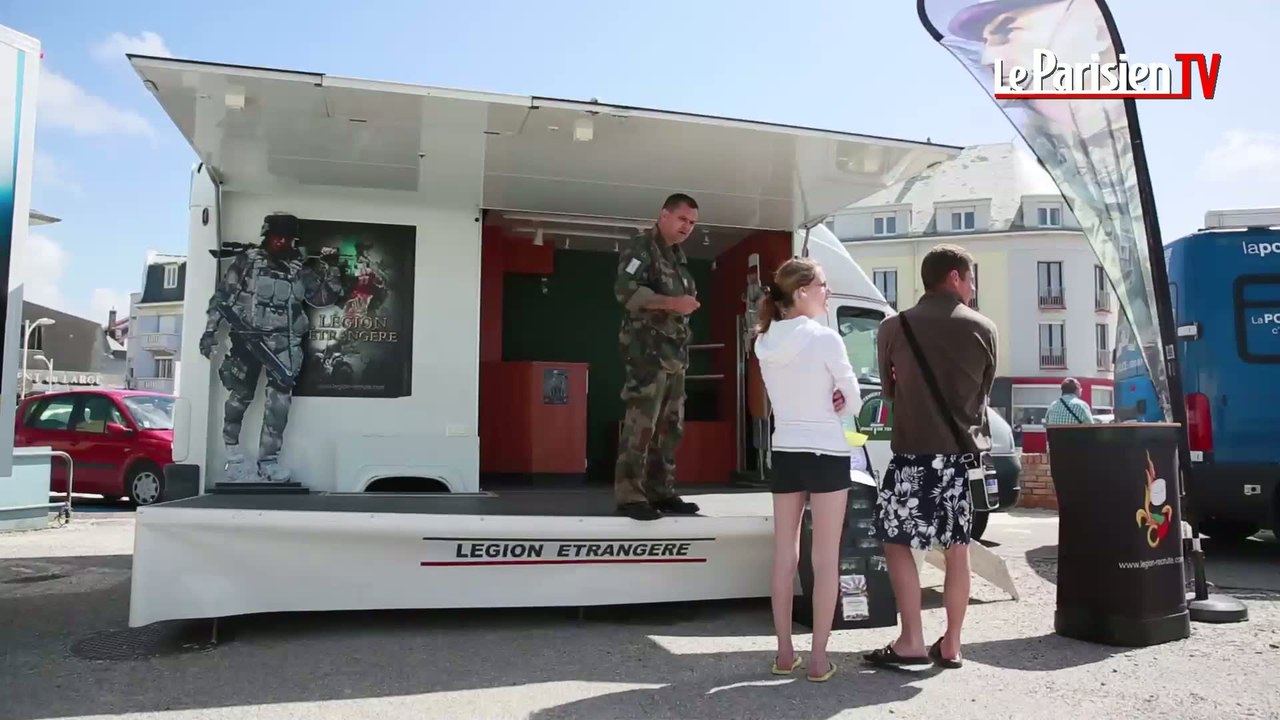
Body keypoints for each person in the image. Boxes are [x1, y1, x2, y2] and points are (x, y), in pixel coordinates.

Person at [864, 244, 997, 670]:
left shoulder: (894, 326)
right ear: (955, 278)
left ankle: (911, 640)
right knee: (958, 548)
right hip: (959, 461)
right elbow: (982, 395)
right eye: (971, 278)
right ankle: (952, 644)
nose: (973, 287)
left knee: (897, 541)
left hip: (913, 457)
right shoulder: (984, 328)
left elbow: (889, 393)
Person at [754, 257, 862, 683]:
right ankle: (818, 659)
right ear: (801, 291)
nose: (827, 291)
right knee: (826, 558)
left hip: (786, 450)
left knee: (785, 554)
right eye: (822, 285)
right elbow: (853, 401)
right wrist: (839, 397)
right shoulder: (825, 338)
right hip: (827, 452)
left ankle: (784, 653)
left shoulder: (763, 342)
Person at [199, 213, 347, 483]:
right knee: (239, 397)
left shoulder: (299, 269)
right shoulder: (247, 262)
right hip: (247, 340)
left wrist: (333, 269)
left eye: (287, 238)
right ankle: (233, 455)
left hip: (283, 347)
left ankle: (268, 461)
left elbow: (322, 298)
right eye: (276, 237)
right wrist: (210, 332)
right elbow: (222, 297)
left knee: (278, 405)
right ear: (266, 236)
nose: (281, 242)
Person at [612, 193, 704, 521]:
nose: (687, 227)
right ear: (664, 215)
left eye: (692, 223)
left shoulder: (677, 257)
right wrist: (673, 303)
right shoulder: (642, 248)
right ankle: (630, 496)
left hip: (674, 355)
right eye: (682, 219)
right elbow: (626, 291)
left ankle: (660, 491)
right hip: (647, 353)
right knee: (642, 425)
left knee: (670, 426)